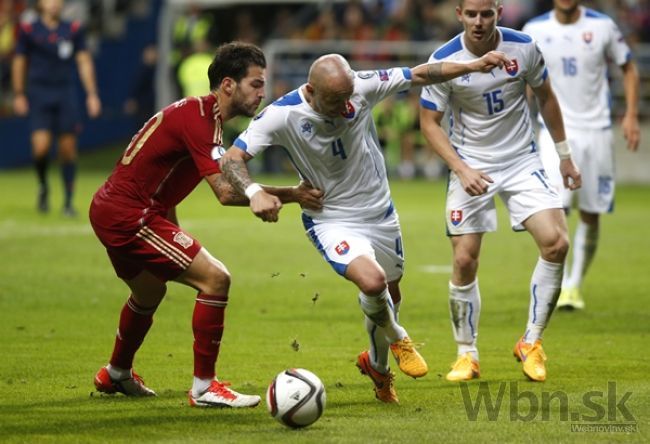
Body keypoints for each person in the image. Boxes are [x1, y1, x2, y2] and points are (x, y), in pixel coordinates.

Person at [219, 49, 509, 403]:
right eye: (335, 101)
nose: (345, 108)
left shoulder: (361, 86)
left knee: (391, 293)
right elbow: (232, 159)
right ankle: (399, 336)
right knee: (372, 283)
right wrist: (253, 192)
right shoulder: (280, 116)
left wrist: (474, 65)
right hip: (331, 217)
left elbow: (420, 73)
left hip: (381, 214)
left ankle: (378, 369)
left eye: (347, 98)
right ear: (310, 91)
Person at [89, 42, 323, 408]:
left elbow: (162, 180)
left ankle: (116, 373)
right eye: (256, 84)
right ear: (228, 85)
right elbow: (227, 193)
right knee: (216, 278)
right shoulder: (200, 119)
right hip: (130, 216)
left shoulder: (197, 114)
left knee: (149, 294)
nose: (263, 93)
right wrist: (290, 194)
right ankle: (204, 387)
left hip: (118, 209)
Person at [419, 0, 582, 383]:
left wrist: (564, 157)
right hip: (471, 164)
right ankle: (466, 355)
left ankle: (531, 341)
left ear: (498, 13)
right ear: (459, 14)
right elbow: (429, 123)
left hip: (522, 161)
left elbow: (546, 97)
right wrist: (461, 168)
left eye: (486, 14)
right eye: (471, 14)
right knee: (464, 260)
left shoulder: (523, 47)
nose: (479, 22)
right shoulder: (444, 60)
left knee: (557, 243)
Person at [522, 0, 640, 310]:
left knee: (591, 210)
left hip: (596, 130)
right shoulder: (534, 30)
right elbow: (525, 83)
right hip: (553, 131)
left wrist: (630, 115)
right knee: (554, 207)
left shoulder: (602, 26)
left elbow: (628, 68)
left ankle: (574, 286)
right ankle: (553, 283)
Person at [11, 0, 101, 216]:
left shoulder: (72, 29)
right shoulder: (29, 30)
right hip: (39, 93)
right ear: (40, 3)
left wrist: (92, 94)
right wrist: (19, 93)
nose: (54, 3)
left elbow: (84, 61)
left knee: (68, 149)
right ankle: (43, 185)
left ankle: (68, 203)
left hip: (64, 94)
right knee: (40, 147)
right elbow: (19, 61)